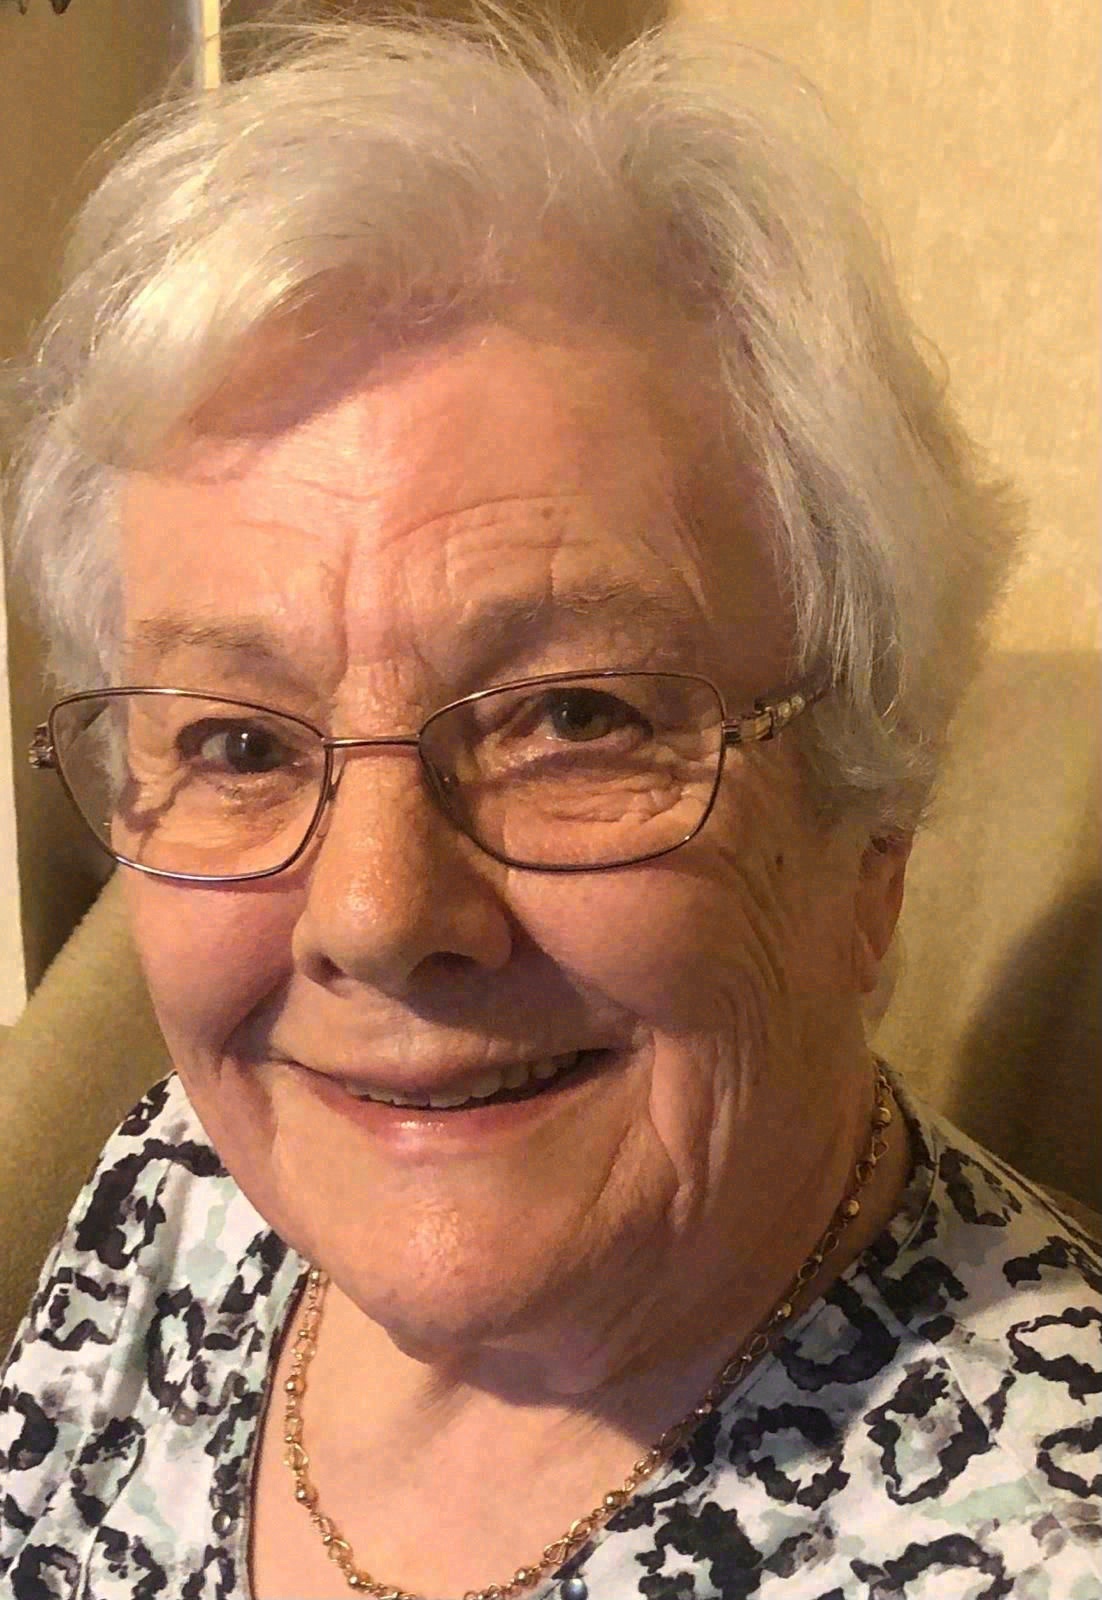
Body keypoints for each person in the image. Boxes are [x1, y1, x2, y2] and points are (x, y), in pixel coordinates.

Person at [1, 16, 1099, 1600]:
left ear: (869, 830)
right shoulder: (184, 1186)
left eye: (573, 718)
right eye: (237, 742)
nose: (374, 916)